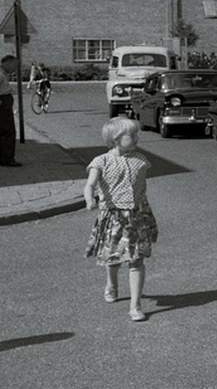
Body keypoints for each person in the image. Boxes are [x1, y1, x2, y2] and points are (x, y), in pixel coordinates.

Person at [83, 117, 158, 322]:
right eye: (131, 135)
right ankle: (112, 284)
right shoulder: (101, 161)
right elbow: (90, 184)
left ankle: (135, 305)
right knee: (113, 258)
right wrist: (90, 198)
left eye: (136, 134)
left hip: (137, 216)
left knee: (136, 260)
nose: (136, 138)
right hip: (114, 217)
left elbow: (140, 188)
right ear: (116, 139)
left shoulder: (141, 160)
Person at [0, 55, 19, 167]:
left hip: (4, 103)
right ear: (7, 63)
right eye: (14, 65)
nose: (14, 68)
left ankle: (4, 157)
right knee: (8, 131)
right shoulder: (0, 74)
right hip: (2, 105)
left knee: (4, 131)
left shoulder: (3, 73)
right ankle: (7, 159)